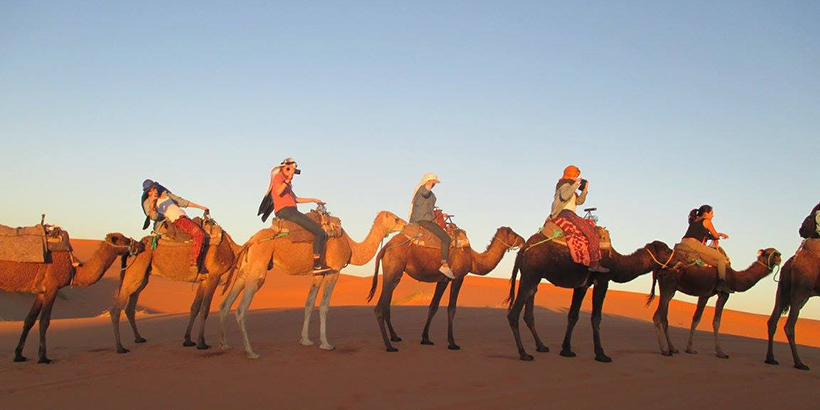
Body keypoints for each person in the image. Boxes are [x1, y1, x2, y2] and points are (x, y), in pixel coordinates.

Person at [262, 158, 331, 275]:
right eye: (290, 170)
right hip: (286, 211)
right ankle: (317, 264)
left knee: (314, 226)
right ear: (285, 168)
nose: (292, 173)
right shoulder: (279, 177)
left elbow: (295, 199)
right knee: (319, 232)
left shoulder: (287, 184)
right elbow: (278, 192)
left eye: (294, 171)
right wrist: (287, 180)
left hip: (291, 210)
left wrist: (313, 200)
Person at [141, 179, 209, 277]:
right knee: (198, 233)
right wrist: (152, 204)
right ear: (148, 193)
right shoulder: (149, 202)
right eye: (151, 190)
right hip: (177, 220)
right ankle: (194, 263)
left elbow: (182, 202)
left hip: (185, 218)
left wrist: (202, 207)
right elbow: (154, 217)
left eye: (154, 188)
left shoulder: (165, 194)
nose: (154, 191)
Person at [549, 165, 609, 273]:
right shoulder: (564, 185)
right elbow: (565, 196)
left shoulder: (570, 188)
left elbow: (579, 202)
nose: (577, 177)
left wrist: (584, 191)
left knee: (590, 226)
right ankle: (594, 263)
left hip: (570, 214)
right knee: (591, 232)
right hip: (564, 213)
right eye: (576, 175)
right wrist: (576, 184)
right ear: (570, 174)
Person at [676, 205, 732, 293]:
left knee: (714, 263)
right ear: (706, 214)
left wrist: (715, 236)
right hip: (694, 245)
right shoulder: (707, 221)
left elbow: (702, 234)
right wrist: (719, 235)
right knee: (721, 258)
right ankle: (721, 283)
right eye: (711, 213)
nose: (713, 215)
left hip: (684, 244)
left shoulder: (694, 220)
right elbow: (715, 235)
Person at [409, 172, 455, 280]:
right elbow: (425, 192)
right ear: (427, 181)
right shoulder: (422, 190)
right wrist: (429, 183)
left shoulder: (431, 194)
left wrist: (441, 214)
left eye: (434, 183)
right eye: (432, 182)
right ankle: (444, 265)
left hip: (427, 218)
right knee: (446, 238)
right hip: (423, 220)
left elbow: (428, 210)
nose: (434, 184)